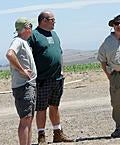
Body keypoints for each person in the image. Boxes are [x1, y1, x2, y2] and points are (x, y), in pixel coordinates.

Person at [28, 10, 73, 144]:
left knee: (55, 105)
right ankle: (41, 135)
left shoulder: (54, 34)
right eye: (52, 20)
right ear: (44, 20)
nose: (54, 22)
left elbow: (59, 52)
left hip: (57, 78)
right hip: (42, 79)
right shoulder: (34, 35)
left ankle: (57, 133)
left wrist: (62, 70)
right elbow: (27, 54)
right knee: (41, 108)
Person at [6, 17, 37, 145]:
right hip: (23, 85)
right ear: (25, 28)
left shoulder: (24, 42)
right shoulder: (18, 41)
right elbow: (9, 54)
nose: (31, 29)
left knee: (29, 118)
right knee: (25, 118)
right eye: (30, 26)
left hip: (29, 85)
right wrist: (22, 70)